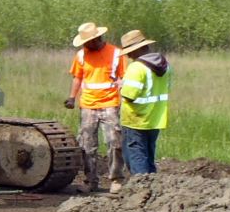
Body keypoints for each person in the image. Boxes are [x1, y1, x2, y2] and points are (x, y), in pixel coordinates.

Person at [64, 20, 126, 193]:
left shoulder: (116, 54)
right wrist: (71, 97)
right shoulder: (81, 56)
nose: (86, 45)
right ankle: (90, 181)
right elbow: (77, 78)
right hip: (88, 105)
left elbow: (123, 78)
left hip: (110, 103)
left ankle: (116, 179)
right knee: (87, 145)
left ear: (97, 38)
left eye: (88, 42)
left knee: (114, 141)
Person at [118, 29, 170, 175]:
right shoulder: (165, 66)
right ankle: (153, 188)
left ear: (139, 49)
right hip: (155, 119)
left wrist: (121, 86)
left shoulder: (136, 68)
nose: (128, 55)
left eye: (130, 51)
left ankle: (141, 190)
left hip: (135, 119)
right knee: (149, 157)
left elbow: (130, 95)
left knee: (136, 156)